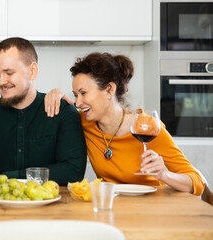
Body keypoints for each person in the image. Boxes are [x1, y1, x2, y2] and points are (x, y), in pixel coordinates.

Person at [44, 52, 204, 195]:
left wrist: (164, 175)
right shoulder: (82, 123)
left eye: (83, 93)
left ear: (109, 90)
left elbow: (196, 182)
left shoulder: (147, 127)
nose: (78, 103)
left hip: (152, 210)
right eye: (75, 95)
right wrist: (55, 93)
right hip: (111, 208)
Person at [0, 37, 87, 186]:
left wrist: (6, 178)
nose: (1, 81)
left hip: (50, 207)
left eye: (9, 73)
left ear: (32, 71)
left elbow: (73, 172)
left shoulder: (63, 112)